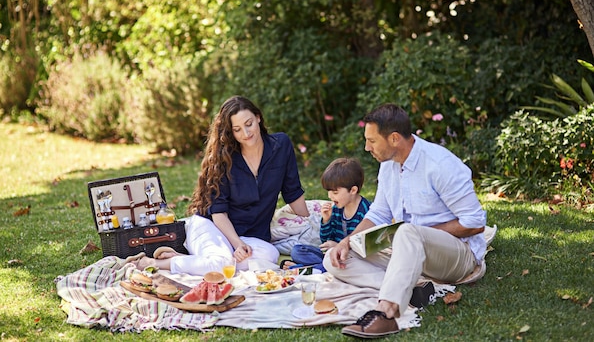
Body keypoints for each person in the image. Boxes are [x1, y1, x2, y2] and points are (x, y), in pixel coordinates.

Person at [323, 103, 487, 339]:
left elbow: (475, 223)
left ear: (394, 138)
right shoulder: (387, 166)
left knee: (407, 232)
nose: (366, 147)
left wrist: (418, 233)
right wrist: (348, 240)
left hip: (458, 256)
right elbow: (378, 213)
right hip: (408, 248)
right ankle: (415, 287)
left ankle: (387, 313)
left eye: (372, 141)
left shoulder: (440, 165)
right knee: (335, 258)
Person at [134, 96, 310, 275]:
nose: (246, 133)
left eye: (249, 123)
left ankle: (193, 260)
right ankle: (154, 263)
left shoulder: (281, 146)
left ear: (258, 117)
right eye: (237, 129)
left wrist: (312, 223)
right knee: (222, 264)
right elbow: (218, 212)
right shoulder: (224, 158)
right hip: (212, 226)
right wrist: (237, 244)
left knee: (270, 255)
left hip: (249, 235)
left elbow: (292, 191)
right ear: (231, 132)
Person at [283, 157, 371, 273]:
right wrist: (326, 220)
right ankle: (317, 267)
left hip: (352, 258)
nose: (330, 196)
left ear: (353, 190)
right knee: (297, 250)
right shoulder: (337, 208)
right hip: (331, 254)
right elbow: (325, 240)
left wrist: (337, 246)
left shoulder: (366, 211)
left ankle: (302, 270)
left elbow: (364, 248)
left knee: (336, 263)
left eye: (335, 192)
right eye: (328, 192)